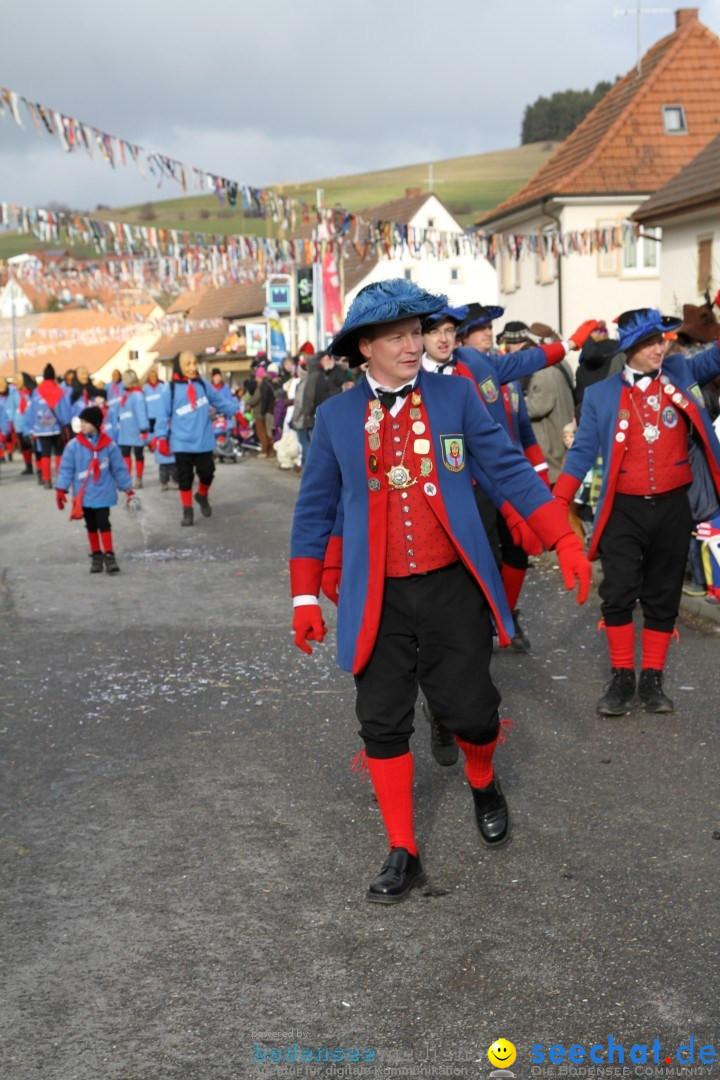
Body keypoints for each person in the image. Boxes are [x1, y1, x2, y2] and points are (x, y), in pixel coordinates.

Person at [289, 279, 591, 903]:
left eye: (417, 332)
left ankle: (483, 780)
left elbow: (507, 469)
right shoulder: (337, 416)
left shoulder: (454, 396)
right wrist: (302, 597)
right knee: (380, 724)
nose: (413, 344)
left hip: (453, 586)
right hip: (378, 595)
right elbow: (313, 508)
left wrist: (561, 536)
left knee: (472, 713)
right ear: (364, 347)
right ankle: (404, 850)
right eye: (397, 335)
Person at [554, 308, 720, 715]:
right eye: (649, 343)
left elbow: (714, 358)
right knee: (618, 592)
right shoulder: (601, 394)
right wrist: (556, 504)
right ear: (630, 348)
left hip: (673, 507)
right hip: (623, 509)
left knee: (663, 596)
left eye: (661, 340)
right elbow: (580, 455)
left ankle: (653, 681)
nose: (659, 348)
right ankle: (622, 677)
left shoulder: (680, 371)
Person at [153, 350, 238, 526]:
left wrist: (236, 410)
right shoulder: (170, 389)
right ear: (180, 366)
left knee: (207, 473)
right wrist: (161, 437)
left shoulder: (203, 384)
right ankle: (187, 510)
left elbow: (220, 402)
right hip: (181, 442)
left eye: (194, 363)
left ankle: (202, 495)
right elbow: (162, 415)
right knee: (184, 477)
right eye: (188, 364)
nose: (192, 367)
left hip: (203, 440)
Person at [55, 406, 133, 574]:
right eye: (81, 422)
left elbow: (119, 468)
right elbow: (66, 468)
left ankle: (109, 554)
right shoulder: (73, 445)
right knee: (90, 524)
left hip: (103, 492)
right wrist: (61, 489)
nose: (81, 425)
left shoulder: (109, 445)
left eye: (85, 422)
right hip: (84, 494)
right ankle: (96, 555)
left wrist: (127, 488)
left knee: (104, 522)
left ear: (96, 424)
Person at [522, 322, 577, 486]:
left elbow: (538, 406)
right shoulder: (562, 363)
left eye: (530, 345)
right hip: (562, 434)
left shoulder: (543, 371)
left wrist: (518, 404)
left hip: (552, 443)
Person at [25, 364, 72, 489]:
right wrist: (66, 423)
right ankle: (61, 478)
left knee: (45, 453)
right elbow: (64, 410)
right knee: (59, 453)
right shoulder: (58, 390)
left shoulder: (36, 391)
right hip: (56, 427)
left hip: (41, 429)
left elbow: (30, 411)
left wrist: (31, 427)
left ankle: (47, 480)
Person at [110, 370, 150, 489]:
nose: (122, 381)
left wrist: (143, 429)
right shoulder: (126, 394)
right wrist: (117, 424)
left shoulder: (137, 395)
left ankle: (138, 478)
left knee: (138, 454)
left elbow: (141, 413)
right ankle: (126, 479)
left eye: (124, 379)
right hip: (125, 430)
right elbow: (119, 411)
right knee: (125, 455)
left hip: (136, 430)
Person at [142, 368, 165, 434]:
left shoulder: (162, 387)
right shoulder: (145, 388)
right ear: (149, 378)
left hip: (160, 417)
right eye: (151, 376)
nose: (153, 378)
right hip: (150, 417)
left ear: (157, 377)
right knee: (151, 438)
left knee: (161, 435)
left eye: (154, 376)